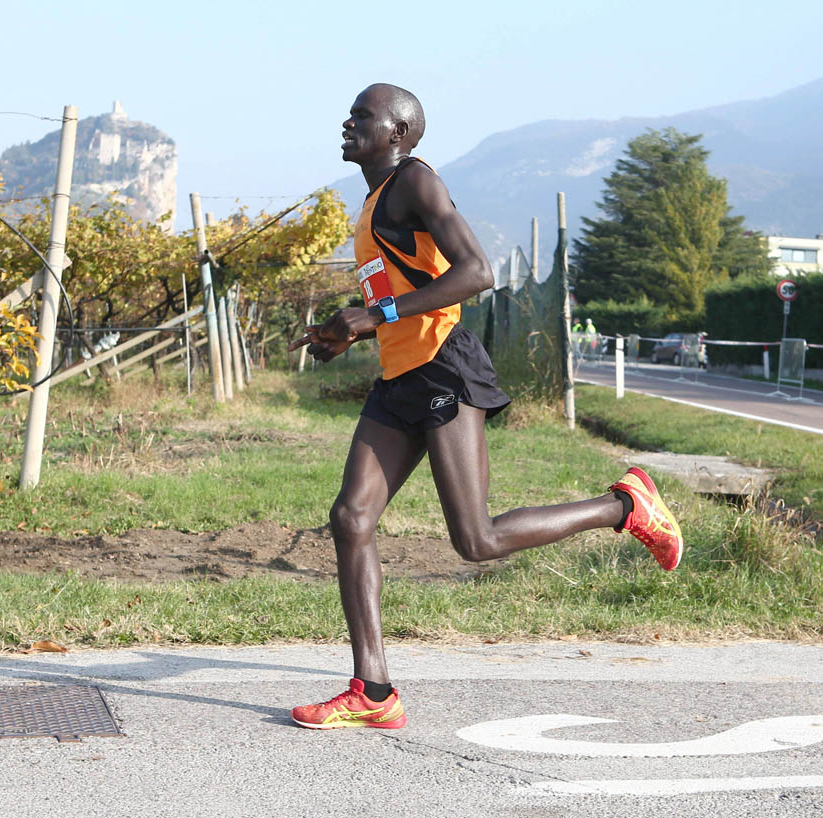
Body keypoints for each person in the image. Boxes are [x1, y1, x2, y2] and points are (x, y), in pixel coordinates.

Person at [286, 84, 684, 731]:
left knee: (476, 540)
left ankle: (624, 505)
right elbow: (398, 291)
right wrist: (347, 331)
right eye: (350, 112)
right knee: (350, 517)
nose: (348, 121)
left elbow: (476, 273)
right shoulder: (371, 202)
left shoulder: (415, 181)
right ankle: (373, 690)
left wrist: (375, 314)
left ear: (398, 131)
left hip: (443, 366)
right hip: (400, 375)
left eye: (363, 115)